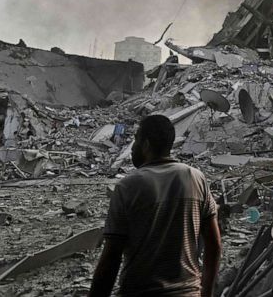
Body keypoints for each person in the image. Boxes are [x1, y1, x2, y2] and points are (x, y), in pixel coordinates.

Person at [90, 114, 222, 297]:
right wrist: (206, 292)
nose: (132, 148)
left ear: (146, 144)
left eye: (135, 141)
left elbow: (111, 259)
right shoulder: (195, 178)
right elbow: (214, 245)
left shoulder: (128, 187)